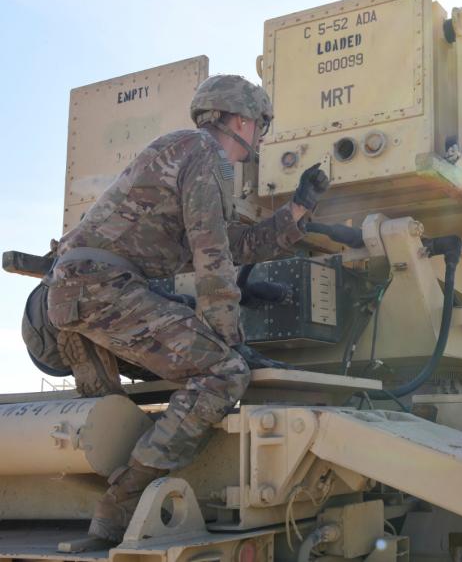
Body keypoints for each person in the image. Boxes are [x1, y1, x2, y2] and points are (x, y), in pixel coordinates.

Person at [45, 74, 329, 543]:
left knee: (144, 399)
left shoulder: (184, 151)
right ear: (241, 120)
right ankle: (121, 503)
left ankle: (106, 521)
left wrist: (299, 210)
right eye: (259, 125)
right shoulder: (205, 153)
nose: (260, 138)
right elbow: (211, 253)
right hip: (102, 287)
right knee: (223, 373)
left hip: (79, 292)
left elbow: (238, 241)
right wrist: (228, 339)